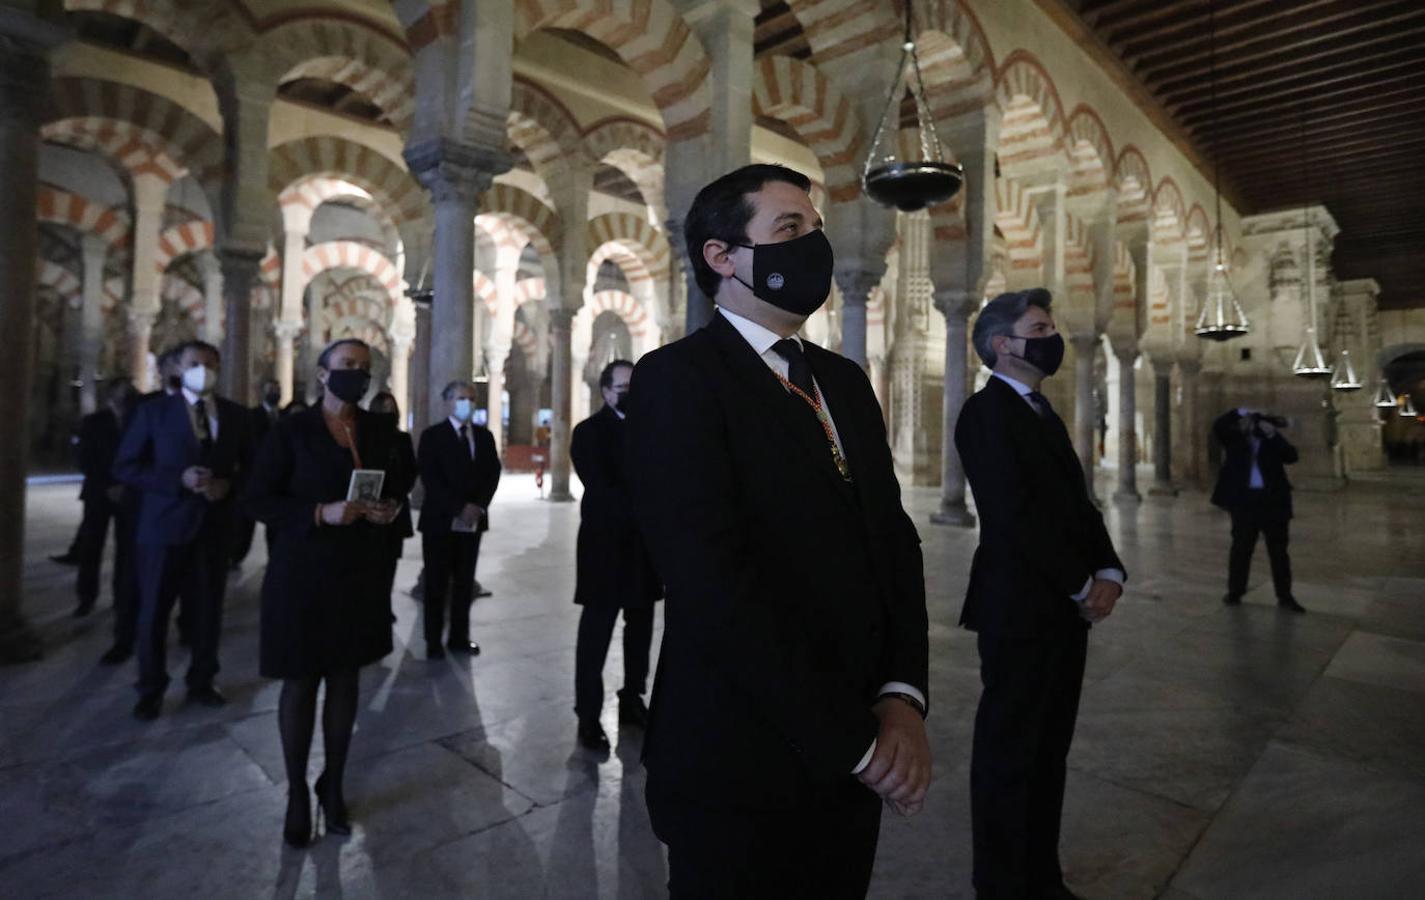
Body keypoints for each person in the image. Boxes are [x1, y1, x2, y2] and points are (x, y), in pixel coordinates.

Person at [625, 164, 931, 897]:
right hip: (740, 759)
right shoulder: (677, 379)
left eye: (814, 230)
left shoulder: (844, 381)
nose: (812, 248)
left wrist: (900, 696)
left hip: (858, 745)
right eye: (788, 230)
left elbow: (891, 542)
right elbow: (711, 584)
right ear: (722, 257)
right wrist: (855, 743)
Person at [955, 288, 1126, 900]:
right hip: (1020, 609)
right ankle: (1002, 885)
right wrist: (1080, 582)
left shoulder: (1040, 411)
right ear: (1003, 343)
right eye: (1040, 327)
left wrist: (1109, 569)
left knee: (1048, 751)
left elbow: (1075, 505)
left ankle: (1041, 879)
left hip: (1061, 608)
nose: (1052, 337)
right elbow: (1012, 517)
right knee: (1011, 755)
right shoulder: (985, 413)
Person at [244, 339, 413, 848]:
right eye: (345, 367)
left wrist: (390, 509)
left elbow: (399, 482)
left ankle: (332, 784)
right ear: (321, 375)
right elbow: (257, 498)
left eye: (363, 369)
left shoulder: (380, 429)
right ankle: (297, 792)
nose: (355, 376)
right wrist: (319, 512)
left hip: (359, 573)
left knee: (345, 682)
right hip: (301, 575)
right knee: (300, 685)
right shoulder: (292, 430)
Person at [113, 340, 252, 721]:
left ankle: (203, 680)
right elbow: (126, 465)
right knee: (154, 611)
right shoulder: (154, 412)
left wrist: (229, 486)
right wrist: (178, 479)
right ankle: (150, 688)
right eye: (194, 363)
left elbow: (254, 470)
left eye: (209, 363)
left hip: (212, 528)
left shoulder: (236, 416)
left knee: (208, 611)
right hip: (164, 529)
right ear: (178, 367)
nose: (202, 370)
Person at [570, 360, 661, 753]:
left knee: (639, 629)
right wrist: (652, 507)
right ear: (606, 391)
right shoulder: (588, 433)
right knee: (596, 633)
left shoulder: (652, 431)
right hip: (605, 547)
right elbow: (602, 487)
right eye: (623, 386)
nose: (630, 391)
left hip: (643, 550)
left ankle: (632, 698)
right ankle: (588, 715)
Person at [416, 381, 500, 660]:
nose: (468, 403)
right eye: (462, 398)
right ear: (447, 402)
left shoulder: (484, 436)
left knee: (464, 581)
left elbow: (492, 474)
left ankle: (459, 637)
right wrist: (458, 507)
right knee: (437, 582)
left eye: (471, 398)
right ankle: (432, 640)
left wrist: (478, 506)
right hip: (441, 520)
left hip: (473, 520)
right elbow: (431, 479)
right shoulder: (432, 436)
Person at [1211, 408, 1303, 612]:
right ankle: (1235, 591)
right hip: (1245, 503)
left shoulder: (1271, 438)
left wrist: (1271, 434)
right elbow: (1218, 426)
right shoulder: (1235, 440)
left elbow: (1291, 456)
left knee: (1278, 552)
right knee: (1241, 549)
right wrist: (1238, 411)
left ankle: (1285, 596)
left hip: (1273, 503)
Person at [72, 378, 139, 619]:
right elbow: (85, 460)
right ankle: (86, 597)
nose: (128, 398)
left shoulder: (139, 419)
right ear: (111, 396)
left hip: (129, 494)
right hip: (98, 494)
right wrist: (110, 485)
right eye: (123, 394)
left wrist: (125, 485)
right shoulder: (93, 422)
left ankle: (121, 598)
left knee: (126, 549)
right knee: (91, 547)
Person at [368, 390, 416, 611]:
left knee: (390, 561)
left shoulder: (402, 439)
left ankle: (385, 606)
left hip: (395, 508)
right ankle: (372, 605)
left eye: (391, 409)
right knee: (371, 563)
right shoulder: (364, 439)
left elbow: (411, 471)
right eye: (383, 409)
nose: (388, 413)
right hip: (369, 509)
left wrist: (397, 499)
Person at [230, 378, 283, 569]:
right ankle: (235, 556)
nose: (275, 393)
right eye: (271, 389)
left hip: (279, 480)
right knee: (244, 522)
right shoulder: (251, 416)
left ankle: (275, 557)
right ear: (262, 392)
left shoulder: (284, 416)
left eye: (278, 389)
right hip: (253, 476)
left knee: (275, 523)